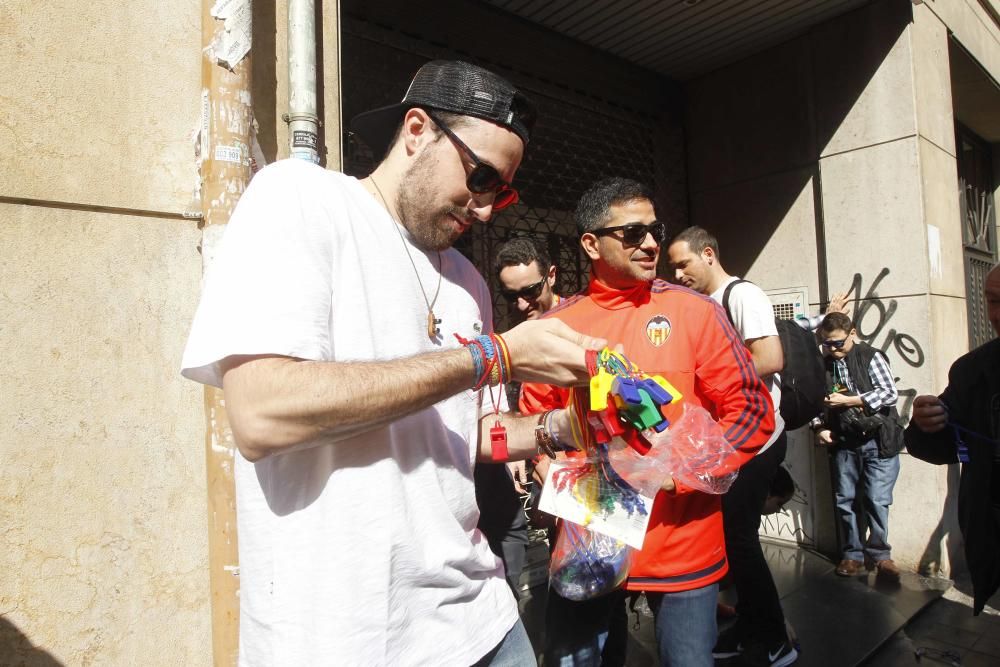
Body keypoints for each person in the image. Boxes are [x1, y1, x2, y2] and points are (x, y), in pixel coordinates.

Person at [180, 59, 606, 666]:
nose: (486, 209)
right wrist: (496, 356)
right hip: (345, 637)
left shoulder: (467, 282)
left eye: (501, 191)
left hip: (482, 616)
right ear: (416, 130)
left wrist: (570, 428)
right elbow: (262, 414)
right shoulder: (299, 198)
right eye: (480, 176)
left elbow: (467, 436)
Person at [520, 177, 775, 667]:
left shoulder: (695, 313)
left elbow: (751, 411)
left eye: (654, 229)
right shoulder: (556, 328)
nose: (653, 243)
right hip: (589, 545)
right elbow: (533, 422)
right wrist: (541, 464)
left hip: (684, 545)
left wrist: (679, 472)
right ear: (591, 244)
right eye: (633, 233)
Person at [667, 226, 796, 667]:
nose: (678, 273)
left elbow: (770, 357)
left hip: (758, 441)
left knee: (739, 542)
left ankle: (778, 637)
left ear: (708, 254)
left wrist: (704, 381)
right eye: (673, 268)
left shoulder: (742, 295)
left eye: (683, 263)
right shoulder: (706, 305)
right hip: (727, 443)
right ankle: (748, 626)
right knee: (730, 542)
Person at [906, 264, 1000, 615]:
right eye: (992, 301)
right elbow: (939, 445)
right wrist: (926, 423)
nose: (996, 315)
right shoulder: (973, 371)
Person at [473, 237, 562, 598]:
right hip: (540, 469)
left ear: (552, 276)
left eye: (530, 290)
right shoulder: (507, 336)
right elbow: (498, 405)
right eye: (512, 296)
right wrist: (515, 454)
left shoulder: (578, 324)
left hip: (584, 472)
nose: (522, 304)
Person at [810, 312, 904, 582]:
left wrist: (851, 401)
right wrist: (819, 428)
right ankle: (852, 554)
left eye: (838, 343)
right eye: (828, 344)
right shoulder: (823, 363)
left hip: (878, 439)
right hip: (844, 441)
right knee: (845, 500)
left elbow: (888, 393)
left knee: (877, 499)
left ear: (852, 334)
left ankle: (881, 555)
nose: (833, 349)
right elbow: (816, 402)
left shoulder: (870, 356)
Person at [496, 237, 561, 321]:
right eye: (511, 296)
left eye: (529, 292)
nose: (522, 306)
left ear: (551, 276)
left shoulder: (578, 319)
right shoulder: (515, 331)